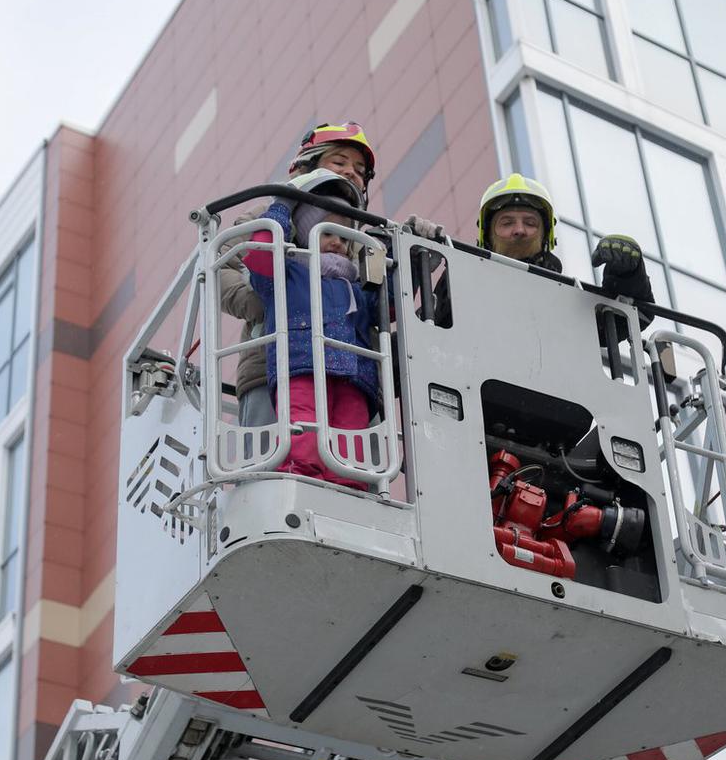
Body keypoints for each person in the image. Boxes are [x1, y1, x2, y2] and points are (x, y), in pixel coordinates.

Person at [220, 122, 377, 427]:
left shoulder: (362, 242)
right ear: (307, 167)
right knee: (276, 454)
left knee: (350, 463)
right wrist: (271, 302)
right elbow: (223, 267)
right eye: (339, 162)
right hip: (272, 364)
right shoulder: (268, 215)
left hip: (352, 372)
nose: (351, 173)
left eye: (360, 170)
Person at [242, 169, 379, 491]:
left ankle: (350, 488)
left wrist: (406, 263)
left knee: (351, 433)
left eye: (345, 237)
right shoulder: (289, 271)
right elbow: (260, 255)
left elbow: (381, 310)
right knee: (303, 424)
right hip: (301, 363)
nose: (337, 242)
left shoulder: (354, 284)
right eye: (326, 232)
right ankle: (302, 477)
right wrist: (282, 207)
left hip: (355, 373)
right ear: (304, 234)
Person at [405, 172, 654, 325]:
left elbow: (630, 320)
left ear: (547, 236)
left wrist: (628, 275)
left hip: (553, 408)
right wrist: (409, 256)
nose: (519, 230)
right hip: (476, 403)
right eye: (507, 222)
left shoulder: (568, 299)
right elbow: (414, 344)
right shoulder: (458, 286)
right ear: (486, 236)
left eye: (530, 223)